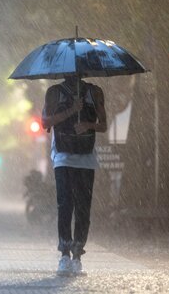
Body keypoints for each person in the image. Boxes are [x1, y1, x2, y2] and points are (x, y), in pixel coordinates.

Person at [41, 76, 107, 276]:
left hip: (86, 157)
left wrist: (87, 124)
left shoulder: (94, 92)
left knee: (83, 206)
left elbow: (103, 125)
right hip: (63, 156)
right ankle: (64, 254)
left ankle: (78, 254)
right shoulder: (54, 92)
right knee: (65, 204)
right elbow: (45, 121)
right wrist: (71, 110)